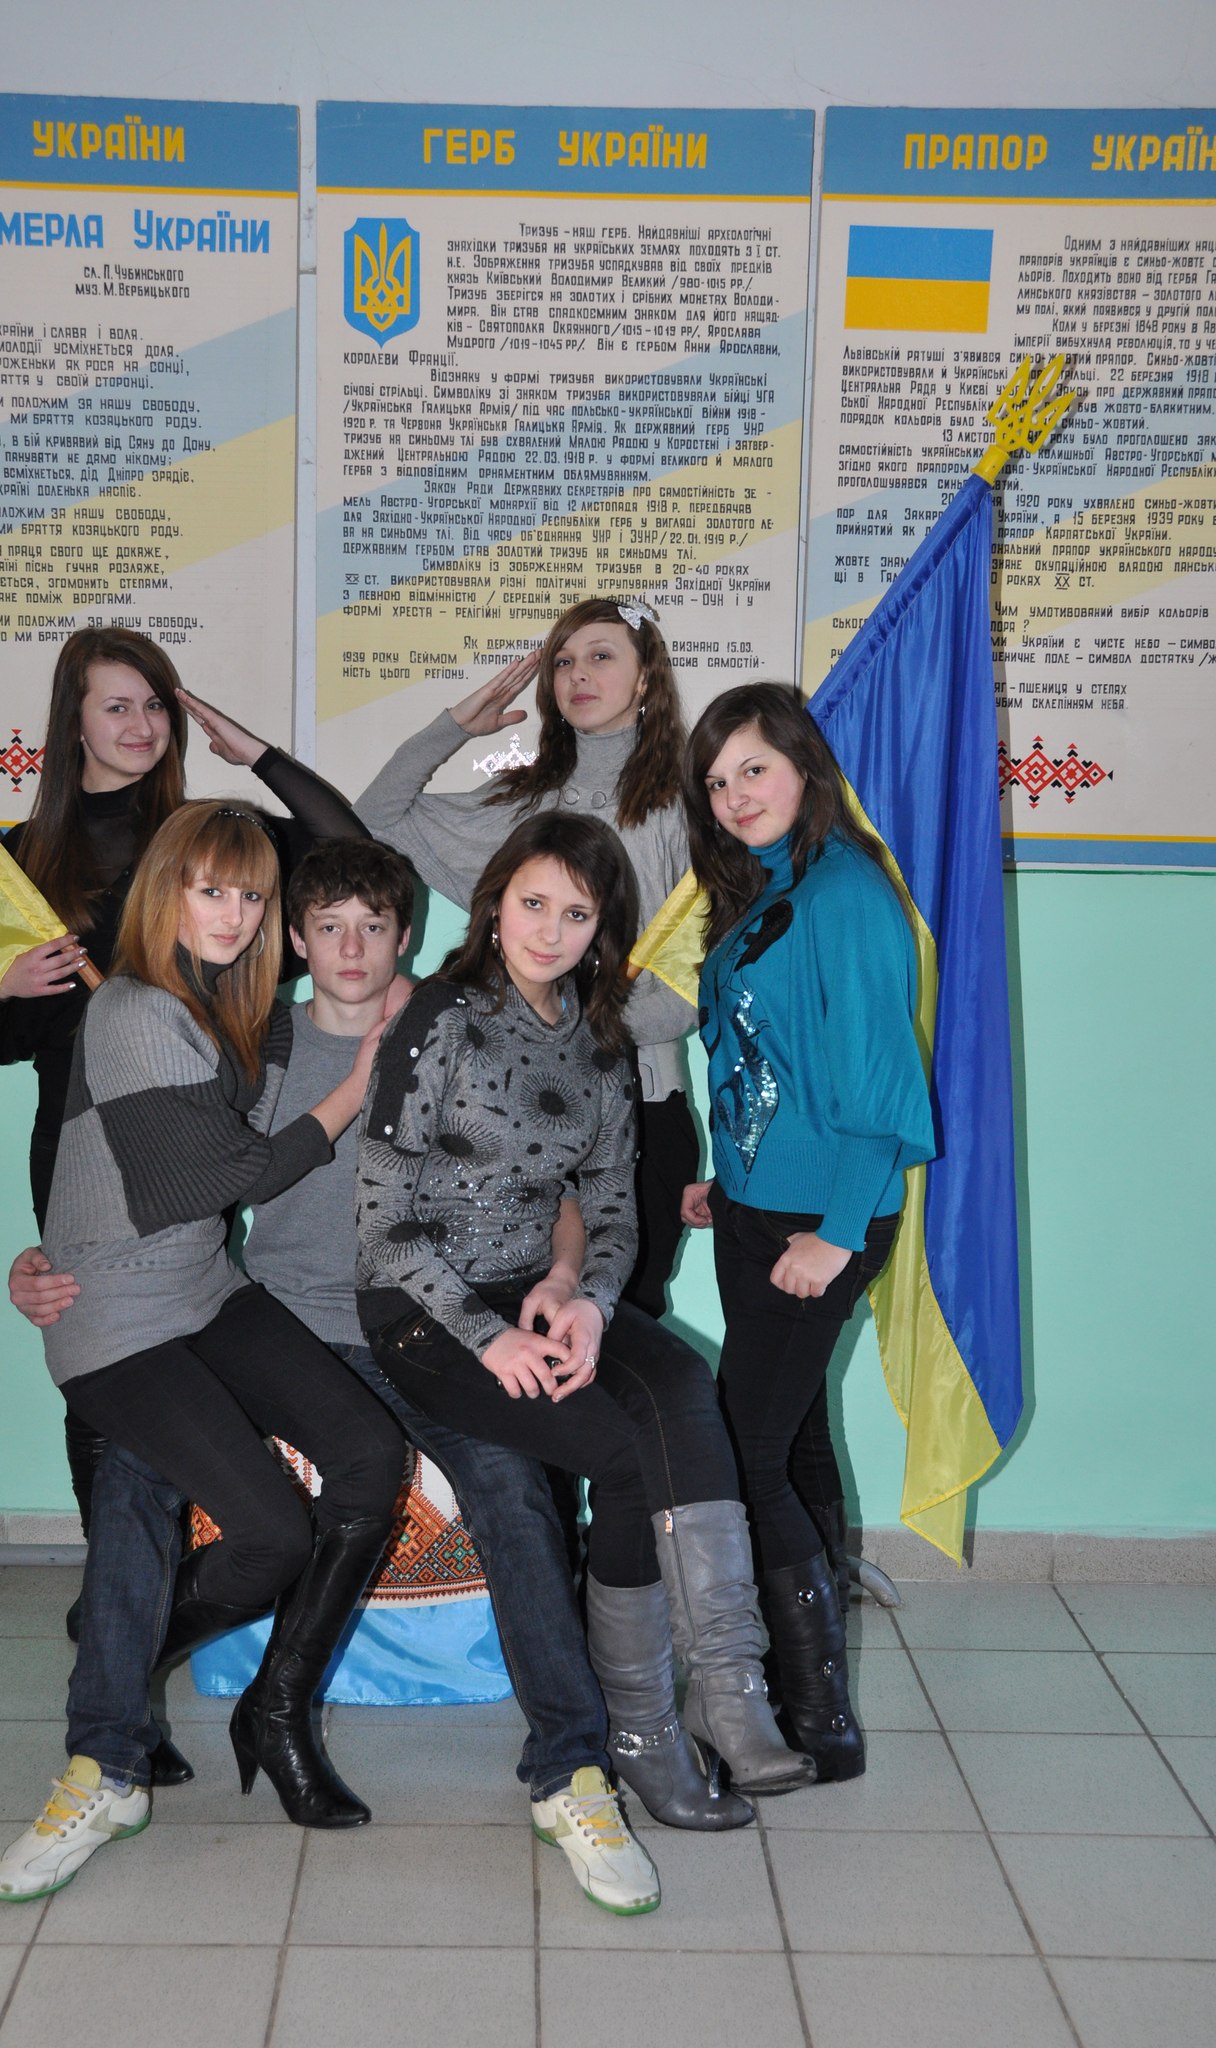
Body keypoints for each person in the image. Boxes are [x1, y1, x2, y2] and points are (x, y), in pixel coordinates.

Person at [9, 833, 748, 1913]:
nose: (350, 948)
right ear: (293, 937)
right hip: (268, 1315)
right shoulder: (249, 1035)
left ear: (408, 936)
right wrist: (43, 1256)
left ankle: (569, 1772)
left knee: (510, 1490)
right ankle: (110, 1748)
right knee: (136, 1472)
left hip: (420, 1329)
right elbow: (126, 1154)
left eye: (374, 926)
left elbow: (559, 1181)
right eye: (326, 927)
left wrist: (563, 1275)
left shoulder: (450, 1026)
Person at [355, 811, 816, 1909]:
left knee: (683, 1385)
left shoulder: (600, 1037)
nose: (550, 932)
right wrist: (493, 1335)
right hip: (425, 1311)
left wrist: (587, 1300)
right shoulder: (438, 1018)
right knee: (622, 1450)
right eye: (533, 904)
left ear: (603, 926)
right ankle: (644, 1733)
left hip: (541, 1286)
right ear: (495, 902)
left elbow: (610, 1204)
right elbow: (380, 1226)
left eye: (576, 913)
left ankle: (726, 1690)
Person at [0, 628, 368, 1781]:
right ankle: (122, 1662)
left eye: (155, 705)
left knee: (175, 1367)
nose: (140, 725)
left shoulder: (204, 837)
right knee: (114, 1429)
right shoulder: (20, 857)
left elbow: (350, 855)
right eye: (116, 705)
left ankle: (124, 1643)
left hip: (204, 1150)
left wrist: (261, 754)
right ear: (72, 720)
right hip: (85, 1148)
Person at [0, 802, 406, 1904]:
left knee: (368, 1453)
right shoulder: (131, 1008)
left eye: (252, 895)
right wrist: (362, 1075)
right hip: (115, 1316)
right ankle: (103, 1756)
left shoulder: (226, 1003)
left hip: (206, 1288)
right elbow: (217, 1180)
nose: (233, 913)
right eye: (209, 889)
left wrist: (404, 988)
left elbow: (351, 863)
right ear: (164, 889)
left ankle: (137, 1667)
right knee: (265, 1532)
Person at [680, 683, 935, 1781]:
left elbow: (882, 1086)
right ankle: (798, 1686)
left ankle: (818, 1716)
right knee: (789, 1437)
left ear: (804, 767)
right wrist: (730, 1177)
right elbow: (765, 1057)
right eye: (717, 779)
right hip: (758, 1206)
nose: (736, 794)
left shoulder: (846, 893)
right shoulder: (767, 887)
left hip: (822, 1216)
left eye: (755, 768)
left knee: (745, 1450)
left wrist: (833, 1233)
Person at [353, 598, 699, 1318]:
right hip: (515, 1112)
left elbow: (688, 995)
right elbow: (376, 817)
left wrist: (582, 1032)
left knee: (623, 1323)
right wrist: (453, 728)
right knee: (522, 1317)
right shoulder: (526, 799)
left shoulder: (688, 802)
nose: (578, 674)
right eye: (563, 661)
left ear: (646, 678)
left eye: (601, 656)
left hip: (641, 1103)